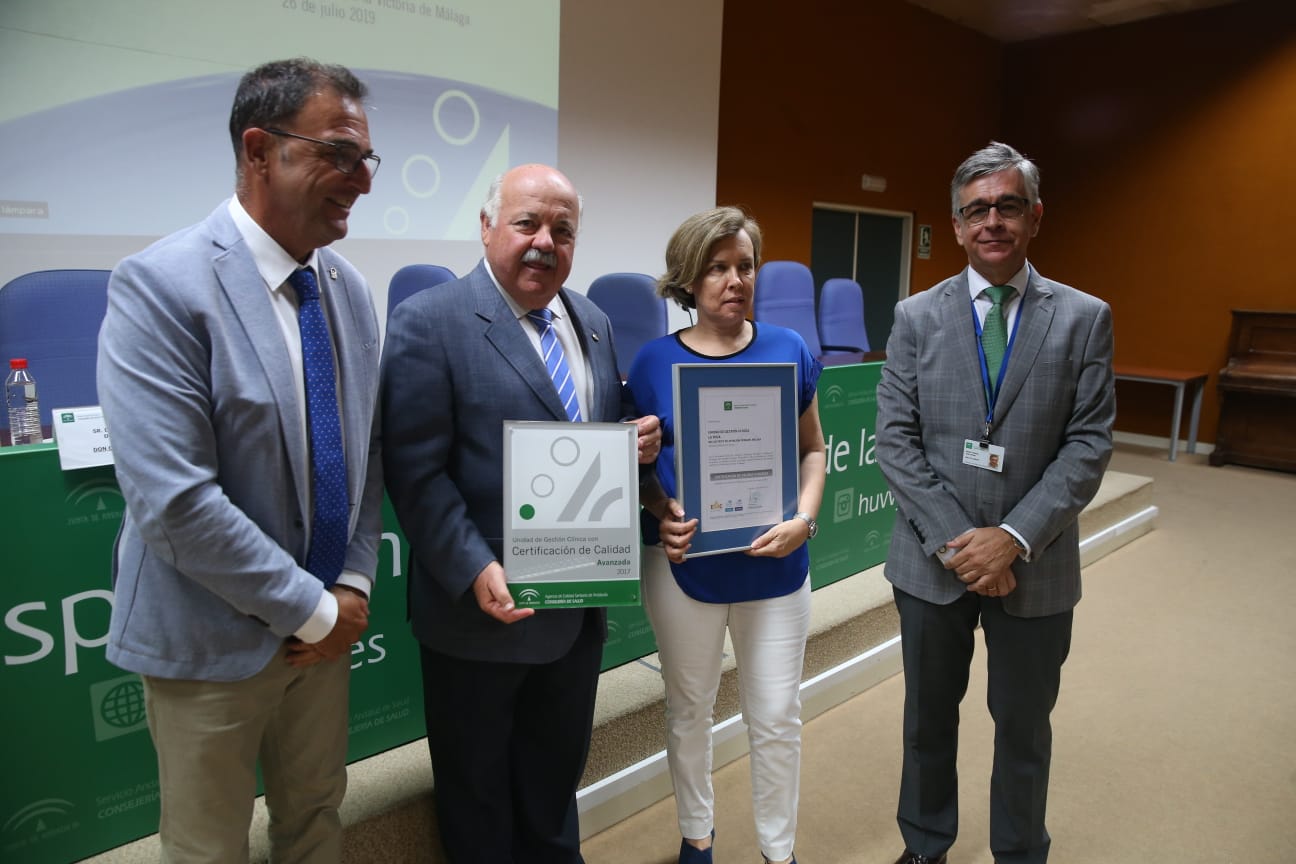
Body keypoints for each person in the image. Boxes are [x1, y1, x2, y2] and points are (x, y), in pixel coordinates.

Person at [97, 58, 384, 863]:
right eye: (340, 154)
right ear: (260, 151)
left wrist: (352, 584)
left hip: (325, 636)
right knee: (207, 848)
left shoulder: (349, 289)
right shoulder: (160, 286)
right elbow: (174, 503)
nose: (360, 180)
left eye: (368, 159)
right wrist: (316, 611)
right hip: (210, 643)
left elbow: (364, 452)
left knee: (316, 821)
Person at [380, 163, 662, 863]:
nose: (544, 242)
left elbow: (589, 434)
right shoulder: (428, 322)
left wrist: (633, 443)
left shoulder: (591, 320)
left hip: (575, 604)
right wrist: (473, 565)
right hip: (479, 613)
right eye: (527, 223)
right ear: (486, 227)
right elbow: (414, 470)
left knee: (553, 785)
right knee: (476, 798)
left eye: (562, 230)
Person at [875, 141, 1115, 864]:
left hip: (1035, 564)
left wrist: (1011, 537)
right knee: (926, 722)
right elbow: (895, 441)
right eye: (976, 209)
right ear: (955, 226)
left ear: (1035, 216)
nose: (992, 222)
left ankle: (1019, 852)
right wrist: (964, 542)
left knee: (1023, 726)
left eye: (1008, 206)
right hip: (930, 563)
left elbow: (1088, 445)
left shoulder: (1083, 317)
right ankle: (925, 846)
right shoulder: (916, 316)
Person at [627, 206, 827, 864]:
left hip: (776, 567)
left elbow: (814, 451)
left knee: (776, 718)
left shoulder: (788, 349)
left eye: (745, 266)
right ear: (688, 278)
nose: (734, 279)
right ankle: (697, 840)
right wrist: (661, 513)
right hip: (688, 567)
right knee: (690, 711)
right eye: (717, 267)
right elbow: (643, 473)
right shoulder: (652, 362)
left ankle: (779, 851)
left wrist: (804, 518)